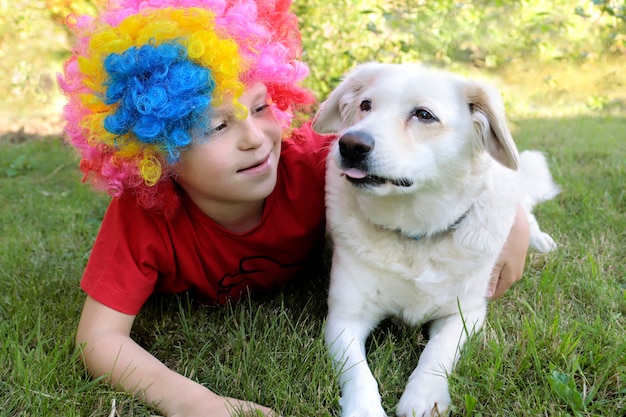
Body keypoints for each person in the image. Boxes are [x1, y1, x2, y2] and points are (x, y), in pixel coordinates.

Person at [58, 1, 529, 416]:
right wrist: (192, 401)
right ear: (157, 151)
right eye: (216, 126)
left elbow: (468, 169)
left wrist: (517, 222)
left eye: (260, 107)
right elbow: (98, 339)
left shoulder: (311, 163)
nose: (255, 139)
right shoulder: (140, 221)